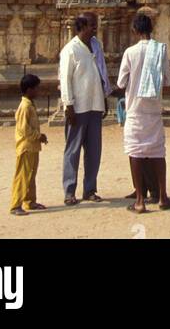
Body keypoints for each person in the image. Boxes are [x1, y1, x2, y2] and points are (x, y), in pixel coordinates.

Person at [117, 11, 170, 213]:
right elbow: (168, 79)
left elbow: (121, 81)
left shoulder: (130, 53)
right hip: (154, 109)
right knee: (158, 152)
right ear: (151, 29)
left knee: (135, 152)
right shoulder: (160, 50)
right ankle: (163, 196)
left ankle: (140, 200)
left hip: (135, 109)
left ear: (134, 30)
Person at [59, 12, 106, 206]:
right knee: (73, 149)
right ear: (81, 26)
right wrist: (68, 104)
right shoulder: (70, 50)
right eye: (91, 24)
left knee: (94, 151)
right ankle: (69, 191)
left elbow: (101, 72)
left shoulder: (96, 46)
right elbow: (65, 78)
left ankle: (90, 189)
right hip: (78, 107)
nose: (95, 27)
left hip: (95, 104)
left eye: (95, 24)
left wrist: (105, 96)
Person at [10, 72, 47, 215]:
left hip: (32, 147)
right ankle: (15, 205)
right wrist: (39, 136)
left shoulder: (30, 105)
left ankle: (29, 201)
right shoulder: (24, 107)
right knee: (22, 176)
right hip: (26, 147)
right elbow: (24, 129)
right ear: (29, 89)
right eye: (37, 88)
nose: (38, 91)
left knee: (31, 175)